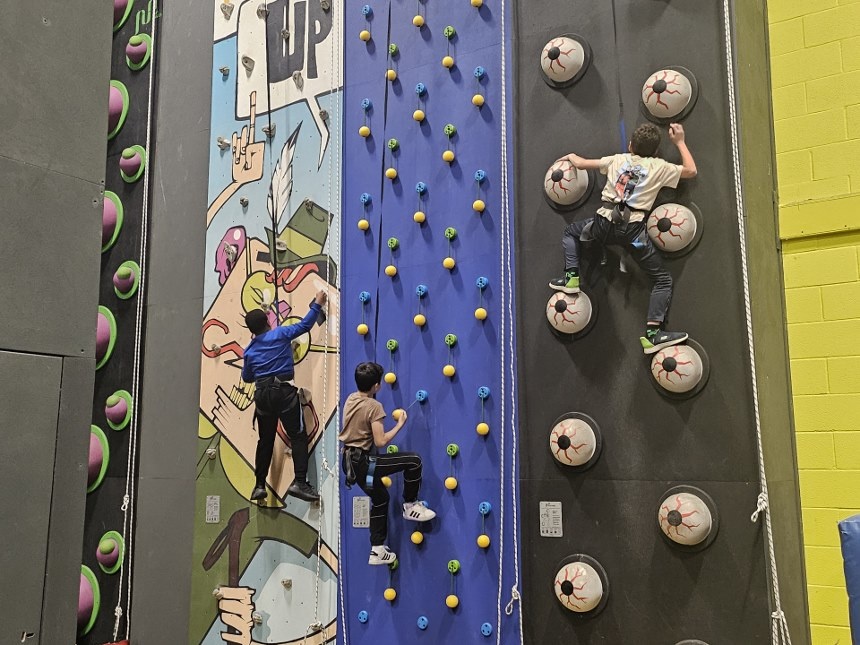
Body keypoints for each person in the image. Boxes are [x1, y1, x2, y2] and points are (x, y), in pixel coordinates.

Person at [549, 122, 698, 354]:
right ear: (656, 151)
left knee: (571, 233)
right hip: (633, 235)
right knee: (662, 280)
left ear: (630, 146)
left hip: (602, 226)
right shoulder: (659, 167)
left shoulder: (617, 159)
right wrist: (679, 142)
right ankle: (653, 334)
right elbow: (691, 170)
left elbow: (580, 163)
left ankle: (571, 278)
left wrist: (570, 156)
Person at [339, 362, 436, 565]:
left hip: (350, 463)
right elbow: (380, 441)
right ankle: (410, 505)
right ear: (376, 386)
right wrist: (399, 425)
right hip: (366, 463)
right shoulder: (374, 407)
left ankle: (377, 549)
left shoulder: (351, 399)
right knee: (414, 461)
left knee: (381, 498)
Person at [241, 290, 327, 502]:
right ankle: (300, 482)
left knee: (265, 440)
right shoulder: (280, 334)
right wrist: (317, 303)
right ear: (267, 320)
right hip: (283, 393)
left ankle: (259, 485)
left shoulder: (249, 350)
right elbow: (305, 326)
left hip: (262, 396)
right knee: (297, 435)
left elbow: (247, 377)